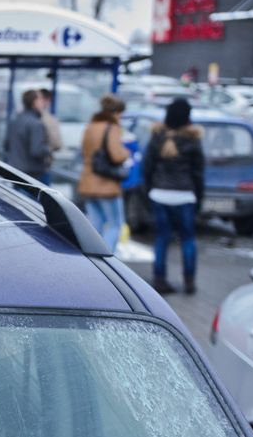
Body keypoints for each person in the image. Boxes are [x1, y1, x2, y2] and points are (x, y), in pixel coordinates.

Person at [142, 98, 205, 295]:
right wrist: (199, 199)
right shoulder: (193, 141)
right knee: (187, 239)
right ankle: (189, 282)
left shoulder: (156, 138)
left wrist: (150, 191)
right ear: (187, 117)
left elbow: (147, 169)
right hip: (185, 196)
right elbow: (198, 173)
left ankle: (159, 280)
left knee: (161, 238)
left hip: (159, 195)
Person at [77, 95, 131, 251]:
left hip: (88, 182)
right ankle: (107, 260)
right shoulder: (112, 128)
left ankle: (94, 259)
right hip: (105, 184)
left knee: (96, 225)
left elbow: (84, 152)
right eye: (120, 114)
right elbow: (116, 155)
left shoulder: (90, 126)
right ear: (115, 113)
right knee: (115, 224)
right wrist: (126, 152)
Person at [4, 89, 51, 182]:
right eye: (40, 99)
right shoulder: (36, 124)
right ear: (35, 102)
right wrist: (48, 149)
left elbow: (6, 145)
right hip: (31, 174)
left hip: (14, 170)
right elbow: (37, 150)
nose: (43, 103)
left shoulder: (15, 120)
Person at [38, 88, 64, 184]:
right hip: (42, 167)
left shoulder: (19, 117)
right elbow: (57, 144)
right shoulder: (50, 120)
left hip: (20, 169)